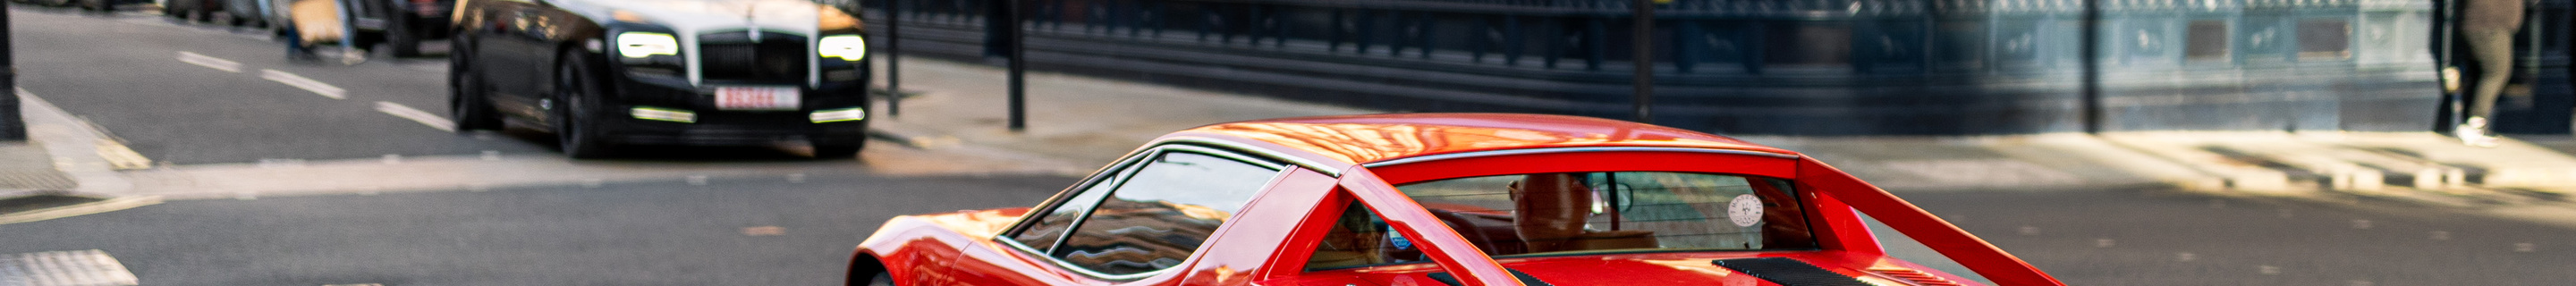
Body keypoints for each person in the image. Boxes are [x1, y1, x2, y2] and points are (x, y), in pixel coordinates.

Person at [2459, 0, 2525, 147]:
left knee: (2480, 73)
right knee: (2496, 72)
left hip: (2484, 23)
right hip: (2489, 24)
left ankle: (2469, 121)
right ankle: (2477, 123)